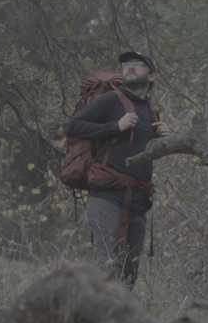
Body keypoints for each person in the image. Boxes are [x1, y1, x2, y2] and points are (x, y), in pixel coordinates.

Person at [64, 50, 169, 285]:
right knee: (109, 270)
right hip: (107, 198)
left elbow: (141, 154)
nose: (130, 67)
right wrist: (115, 126)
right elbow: (73, 127)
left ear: (151, 76)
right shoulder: (110, 100)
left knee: (130, 275)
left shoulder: (152, 113)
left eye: (138, 64)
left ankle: (122, 319)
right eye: (126, 64)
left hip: (138, 201)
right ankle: (103, 317)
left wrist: (165, 142)